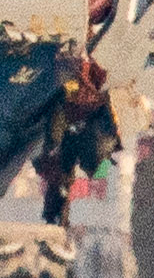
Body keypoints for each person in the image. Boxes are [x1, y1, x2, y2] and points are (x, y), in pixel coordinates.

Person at [39, 58, 121, 224]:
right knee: (62, 177)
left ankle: (56, 218)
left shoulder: (86, 94)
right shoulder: (95, 96)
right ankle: (56, 218)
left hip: (75, 131)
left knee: (62, 177)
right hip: (78, 131)